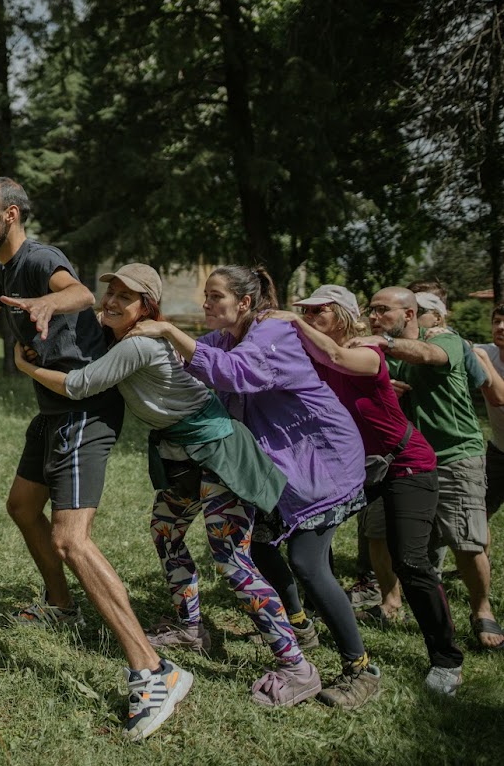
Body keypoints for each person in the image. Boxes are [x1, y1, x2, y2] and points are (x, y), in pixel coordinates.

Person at [0, 179, 190, 742]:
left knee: (72, 539)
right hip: (52, 410)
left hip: (84, 411)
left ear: (9, 215)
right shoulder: (4, 271)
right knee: (21, 506)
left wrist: (48, 301)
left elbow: (81, 294)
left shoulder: (41, 259)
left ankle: (154, 670)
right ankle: (62, 605)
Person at [13, 264, 313, 707]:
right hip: (183, 455)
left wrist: (24, 365)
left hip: (217, 454)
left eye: (125, 297)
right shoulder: (122, 334)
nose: (112, 301)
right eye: (110, 292)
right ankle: (191, 629)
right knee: (166, 531)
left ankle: (297, 666)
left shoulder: (139, 344)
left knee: (232, 559)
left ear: (146, 308)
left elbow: (78, 385)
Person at [131, 265, 378, 709]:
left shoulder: (270, 334)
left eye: (215, 296)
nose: (206, 304)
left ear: (244, 303)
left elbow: (231, 373)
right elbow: (189, 360)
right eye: (205, 296)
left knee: (307, 562)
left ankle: (360, 669)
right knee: (260, 548)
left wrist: (168, 327)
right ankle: (299, 630)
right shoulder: (227, 336)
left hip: (322, 462)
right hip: (279, 469)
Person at [263, 285, 465, 696]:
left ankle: (447, 659)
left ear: (338, 314)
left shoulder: (365, 351)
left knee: (409, 561)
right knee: (309, 545)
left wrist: (294, 322)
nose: (307, 315)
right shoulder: (311, 358)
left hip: (406, 463)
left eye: (317, 311)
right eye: (304, 310)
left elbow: (338, 357)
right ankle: (313, 621)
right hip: (354, 469)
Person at [350, 286, 502, 651]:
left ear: (409, 315)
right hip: (398, 458)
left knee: (465, 539)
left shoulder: (447, 340)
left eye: (383, 310)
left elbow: (430, 355)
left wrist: (384, 345)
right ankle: (390, 601)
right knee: (378, 531)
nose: (374, 316)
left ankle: (483, 609)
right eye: (371, 310)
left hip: (453, 453)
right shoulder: (380, 350)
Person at [476, 304, 504, 522]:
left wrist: (483, 360)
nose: (501, 327)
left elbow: (500, 398)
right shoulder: (487, 352)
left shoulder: (484, 356)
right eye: (496, 322)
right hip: (499, 451)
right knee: (478, 513)